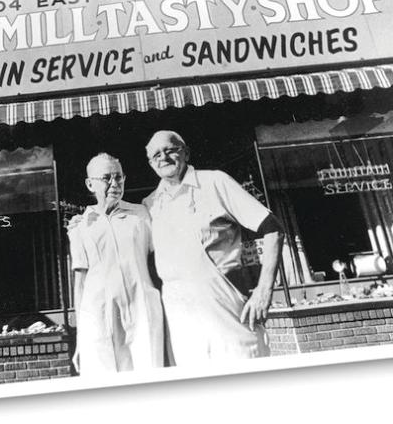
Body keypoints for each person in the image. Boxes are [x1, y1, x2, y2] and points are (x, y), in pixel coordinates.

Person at [142, 131, 283, 366]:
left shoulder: (214, 182)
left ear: (185, 152)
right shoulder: (150, 204)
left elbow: (273, 228)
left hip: (226, 308)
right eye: (156, 154)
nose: (163, 157)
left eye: (170, 150)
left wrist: (264, 290)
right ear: (150, 164)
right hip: (180, 317)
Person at [68, 153, 164, 375]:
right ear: (90, 184)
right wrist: (81, 333)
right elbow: (80, 281)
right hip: (99, 313)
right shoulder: (81, 226)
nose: (114, 184)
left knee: (148, 371)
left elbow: (160, 257)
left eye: (119, 177)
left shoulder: (141, 215)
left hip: (141, 307)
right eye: (106, 178)